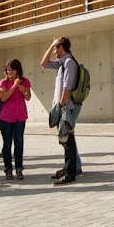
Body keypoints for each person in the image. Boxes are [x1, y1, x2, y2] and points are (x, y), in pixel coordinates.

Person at [42, 37, 82, 185]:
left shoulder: (69, 63)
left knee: (68, 138)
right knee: (65, 139)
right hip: (63, 106)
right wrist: (51, 44)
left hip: (67, 106)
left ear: (61, 47)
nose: (53, 51)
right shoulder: (61, 63)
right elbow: (44, 63)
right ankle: (69, 168)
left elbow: (67, 87)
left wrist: (60, 105)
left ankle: (70, 173)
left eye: (55, 47)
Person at [0, 59, 30, 181]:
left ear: (18, 70)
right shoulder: (3, 82)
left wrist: (23, 90)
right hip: (6, 117)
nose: (10, 72)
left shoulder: (25, 81)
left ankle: (19, 169)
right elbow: (3, 98)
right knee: (7, 143)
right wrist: (14, 86)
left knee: (19, 142)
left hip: (20, 116)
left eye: (12, 70)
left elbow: (28, 97)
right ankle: (8, 169)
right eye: (8, 70)